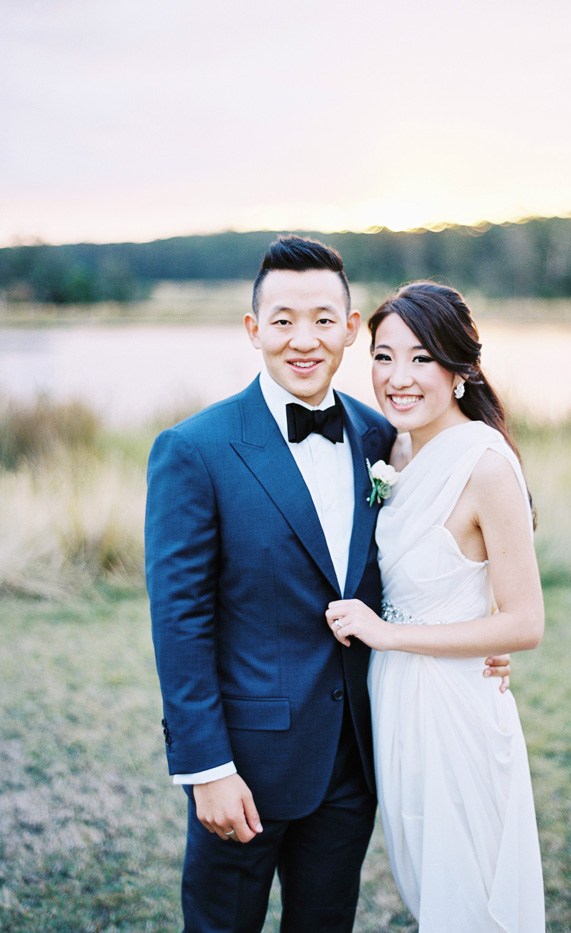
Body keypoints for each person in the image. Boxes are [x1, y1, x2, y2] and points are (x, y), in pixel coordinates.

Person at [145, 237, 510, 932]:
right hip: (244, 768)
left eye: (322, 319)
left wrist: (485, 629)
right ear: (254, 330)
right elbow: (179, 621)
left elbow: (433, 552)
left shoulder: (385, 438)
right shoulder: (194, 449)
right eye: (282, 320)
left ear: (349, 329)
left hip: (354, 762)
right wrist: (205, 767)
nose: (302, 339)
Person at [326, 282, 546, 931]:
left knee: (468, 896)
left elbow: (525, 621)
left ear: (461, 369)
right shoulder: (390, 449)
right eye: (384, 356)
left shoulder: (484, 465)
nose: (398, 378)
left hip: (455, 705)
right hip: (395, 702)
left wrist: (386, 636)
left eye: (421, 358)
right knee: (425, 883)